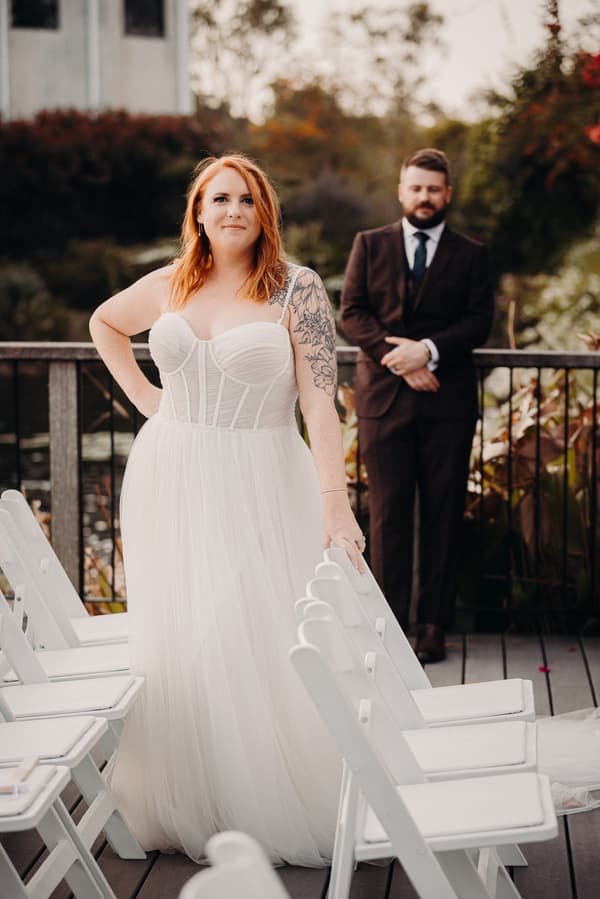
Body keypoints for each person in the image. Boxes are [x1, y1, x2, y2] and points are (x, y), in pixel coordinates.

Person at [89, 154, 365, 865]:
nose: (233, 209)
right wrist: (149, 402)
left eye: (247, 198)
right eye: (220, 198)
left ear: (264, 210)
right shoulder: (173, 282)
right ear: (199, 212)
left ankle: (263, 795)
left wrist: (335, 504)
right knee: (182, 630)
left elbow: (318, 403)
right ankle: (186, 793)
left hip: (261, 474)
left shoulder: (295, 288)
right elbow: (104, 324)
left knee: (255, 625)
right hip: (169, 474)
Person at [340, 148, 494, 664]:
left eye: (433, 189)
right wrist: (398, 357)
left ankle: (432, 626)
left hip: (447, 402)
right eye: (416, 188)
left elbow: (478, 322)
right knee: (386, 514)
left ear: (447, 194)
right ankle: (387, 624)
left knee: (444, 513)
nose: (424, 197)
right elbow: (352, 314)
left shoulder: (472, 254)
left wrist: (427, 351)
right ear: (401, 191)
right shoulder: (369, 243)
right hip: (384, 401)